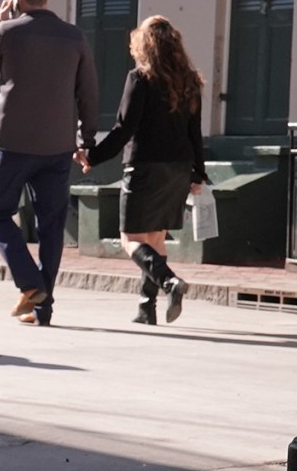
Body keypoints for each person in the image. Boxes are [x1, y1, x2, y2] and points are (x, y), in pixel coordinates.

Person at [0, 0, 97, 326]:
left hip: (13, 143)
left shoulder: (8, 32)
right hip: (58, 145)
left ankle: (31, 285)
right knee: (51, 225)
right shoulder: (74, 37)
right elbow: (88, 91)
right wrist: (86, 140)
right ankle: (43, 309)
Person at [87, 16, 209, 325]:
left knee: (131, 239)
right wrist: (198, 172)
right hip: (179, 168)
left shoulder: (140, 78)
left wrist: (93, 156)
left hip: (145, 167)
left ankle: (169, 282)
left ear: (143, 44)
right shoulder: (190, 80)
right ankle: (146, 308)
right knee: (155, 238)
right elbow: (195, 131)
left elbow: (123, 128)